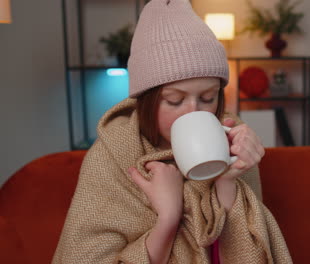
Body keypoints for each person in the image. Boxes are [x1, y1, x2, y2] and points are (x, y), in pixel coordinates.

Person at [53, 0, 292, 263]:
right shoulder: (111, 158)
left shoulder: (232, 141)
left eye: (208, 97)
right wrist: (168, 217)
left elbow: (246, 257)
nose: (193, 111)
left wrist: (227, 182)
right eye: (175, 100)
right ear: (145, 101)